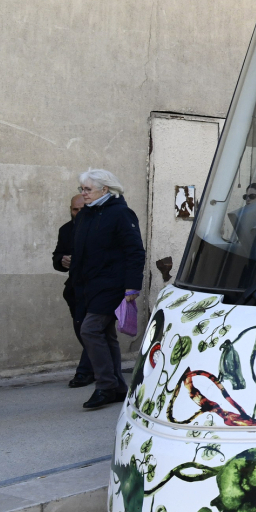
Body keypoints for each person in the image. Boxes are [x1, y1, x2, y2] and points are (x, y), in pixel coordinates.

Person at [67, 169, 145, 409]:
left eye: (88, 189)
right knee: (105, 334)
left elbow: (135, 251)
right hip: (89, 286)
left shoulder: (121, 213)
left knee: (90, 330)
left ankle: (105, 386)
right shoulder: (86, 215)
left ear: (105, 190)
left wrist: (132, 286)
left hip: (112, 286)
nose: (84, 194)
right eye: (82, 189)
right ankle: (118, 386)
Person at [53, 193, 93, 388]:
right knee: (81, 329)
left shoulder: (102, 228)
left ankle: (85, 372)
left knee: (90, 330)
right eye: (74, 210)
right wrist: (62, 260)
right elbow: (57, 257)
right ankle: (102, 365)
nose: (77, 213)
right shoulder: (66, 230)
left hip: (97, 288)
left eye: (81, 209)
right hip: (75, 290)